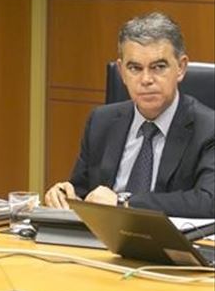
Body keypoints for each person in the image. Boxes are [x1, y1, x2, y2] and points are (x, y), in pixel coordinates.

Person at [45, 12, 214, 218]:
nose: (146, 79)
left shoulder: (208, 129)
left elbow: (208, 201)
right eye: (134, 68)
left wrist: (123, 202)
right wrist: (64, 195)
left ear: (180, 68)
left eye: (158, 67)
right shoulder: (101, 121)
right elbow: (82, 192)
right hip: (101, 244)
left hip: (168, 246)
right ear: (122, 71)